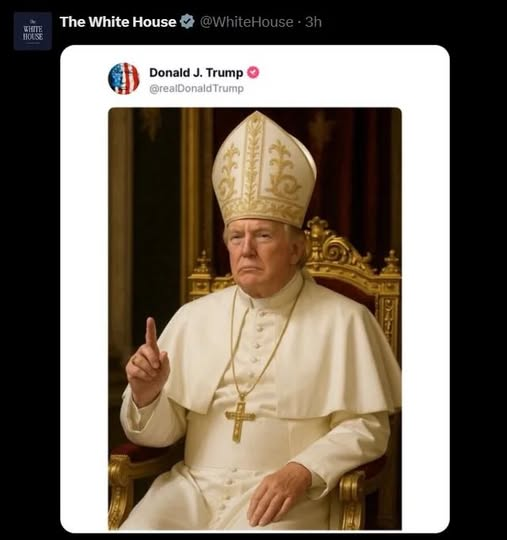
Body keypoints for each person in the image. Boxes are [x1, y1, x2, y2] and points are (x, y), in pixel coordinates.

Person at [119, 111, 401, 530]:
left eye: (263, 235)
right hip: (191, 490)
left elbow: (368, 428)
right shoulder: (194, 318)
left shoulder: (346, 320)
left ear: (297, 248)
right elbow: (159, 436)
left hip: (286, 497)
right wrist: (147, 396)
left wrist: (303, 470)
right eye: (236, 237)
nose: (246, 249)